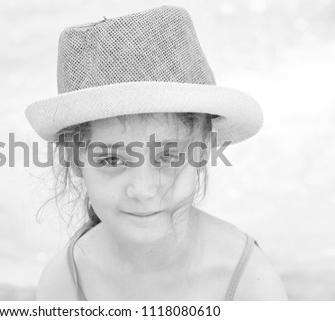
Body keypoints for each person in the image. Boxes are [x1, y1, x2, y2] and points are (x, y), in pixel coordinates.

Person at [25, 6, 288, 300]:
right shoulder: (65, 284)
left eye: (168, 156)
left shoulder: (249, 284)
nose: (144, 189)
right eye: (111, 159)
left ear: (204, 148)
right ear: (74, 159)